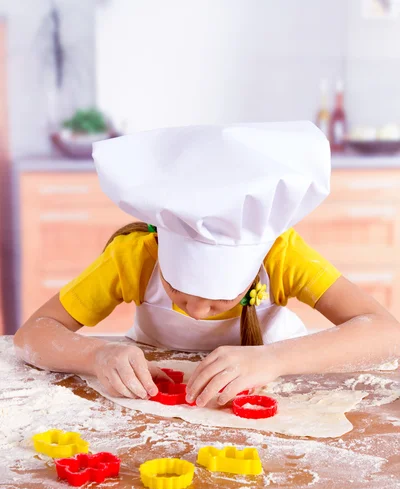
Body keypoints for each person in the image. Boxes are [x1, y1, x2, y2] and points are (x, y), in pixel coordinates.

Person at [14, 123, 400, 408]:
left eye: (218, 303)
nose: (196, 312)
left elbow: (386, 334)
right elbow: (33, 334)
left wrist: (274, 359)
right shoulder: (133, 257)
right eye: (177, 291)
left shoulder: (281, 255)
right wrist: (94, 355)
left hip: (273, 395)